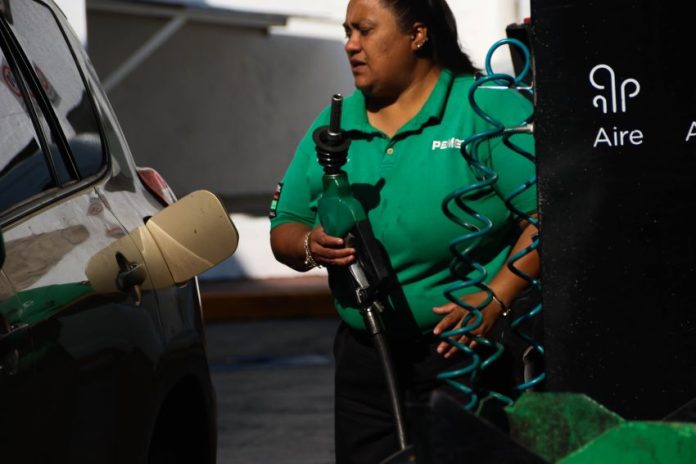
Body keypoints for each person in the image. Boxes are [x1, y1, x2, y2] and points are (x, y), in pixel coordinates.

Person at [269, 0, 539, 462]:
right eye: (347, 32)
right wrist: (309, 246)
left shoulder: (485, 108)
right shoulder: (335, 124)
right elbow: (285, 227)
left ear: (418, 35)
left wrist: (497, 296)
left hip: (467, 355)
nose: (351, 45)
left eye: (366, 30)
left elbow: (547, 217)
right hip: (366, 359)